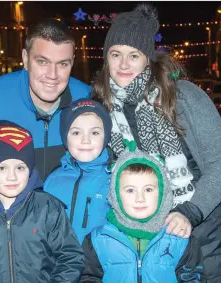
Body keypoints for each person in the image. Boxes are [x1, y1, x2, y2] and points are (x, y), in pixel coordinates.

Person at [91, 3, 221, 282]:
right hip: (143, 244)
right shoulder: (101, 110)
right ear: (106, 60)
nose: (124, 65)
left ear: (147, 59)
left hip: (204, 236)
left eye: (133, 55)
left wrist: (190, 212)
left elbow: (219, 163)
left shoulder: (183, 97)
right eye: (116, 54)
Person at [0, 18, 90, 211]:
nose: (52, 75)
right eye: (42, 61)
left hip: (63, 234)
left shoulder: (87, 101)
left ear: (72, 62)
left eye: (62, 64)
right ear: (26, 59)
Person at [0, 120, 84, 283]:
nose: (12, 177)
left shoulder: (48, 208)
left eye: (20, 167)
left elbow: (70, 257)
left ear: (30, 170)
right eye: (2, 168)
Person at [80, 141, 206, 282]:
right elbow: (88, 278)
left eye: (148, 189)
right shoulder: (97, 240)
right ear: (115, 195)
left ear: (163, 193)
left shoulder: (180, 237)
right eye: (130, 190)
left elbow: (193, 278)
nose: (140, 198)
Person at [43, 98, 112, 243]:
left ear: (105, 137)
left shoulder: (114, 179)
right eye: (76, 133)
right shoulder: (53, 180)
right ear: (65, 138)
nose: (85, 140)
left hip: (98, 263)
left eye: (94, 133)